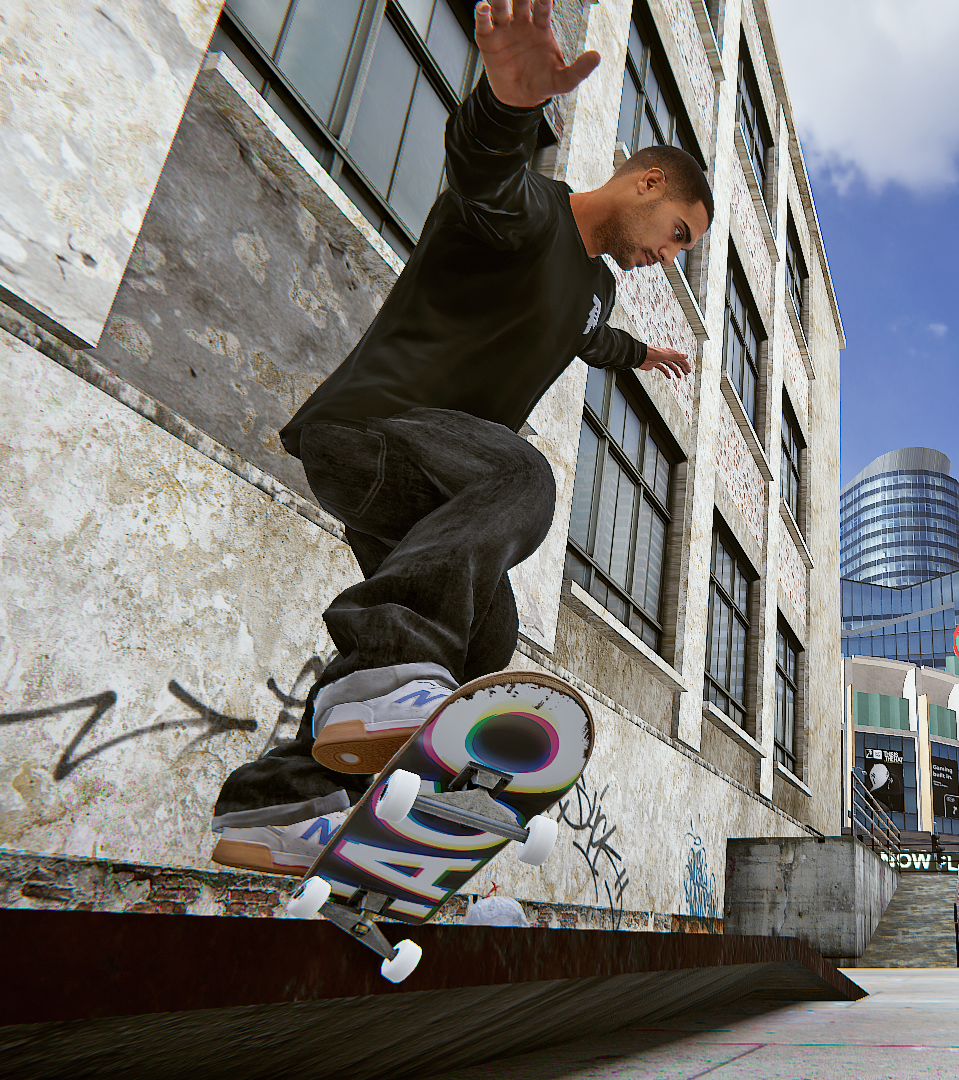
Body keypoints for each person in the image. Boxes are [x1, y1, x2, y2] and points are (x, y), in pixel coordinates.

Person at [209, 0, 711, 875]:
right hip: (374, 429)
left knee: (486, 638)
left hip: (425, 486)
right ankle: (383, 677)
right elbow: (482, 171)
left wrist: (639, 354)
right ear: (647, 184)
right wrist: (507, 106)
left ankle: (278, 803)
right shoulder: (526, 211)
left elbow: (586, 336)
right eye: (677, 235)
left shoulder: (597, 289)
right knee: (526, 480)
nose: (668, 257)